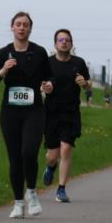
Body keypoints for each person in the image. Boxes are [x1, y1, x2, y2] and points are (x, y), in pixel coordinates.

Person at [0, 12, 54, 218]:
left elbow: (49, 75)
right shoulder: (3, 53)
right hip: (10, 112)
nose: (22, 28)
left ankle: (31, 193)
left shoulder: (39, 52)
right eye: (18, 24)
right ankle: (17, 203)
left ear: (30, 29)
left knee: (29, 152)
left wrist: (49, 84)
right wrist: (2, 71)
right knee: (14, 158)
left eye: (25, 25)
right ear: (12, 28)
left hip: (34, 110)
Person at [43, 29, 91, 203]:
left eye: (67, 40)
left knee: (66, 149)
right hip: (51, 112)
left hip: (71, 113)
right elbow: (41, 83)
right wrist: (45, 87)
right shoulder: (47, 63)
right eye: (60, 39)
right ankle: (50, 167)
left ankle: (61, 189)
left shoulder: (79, 63)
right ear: (55, 43)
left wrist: (84, 83)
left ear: (71, 44)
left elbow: (88, 84)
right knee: (52, 155)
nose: (64, 42)